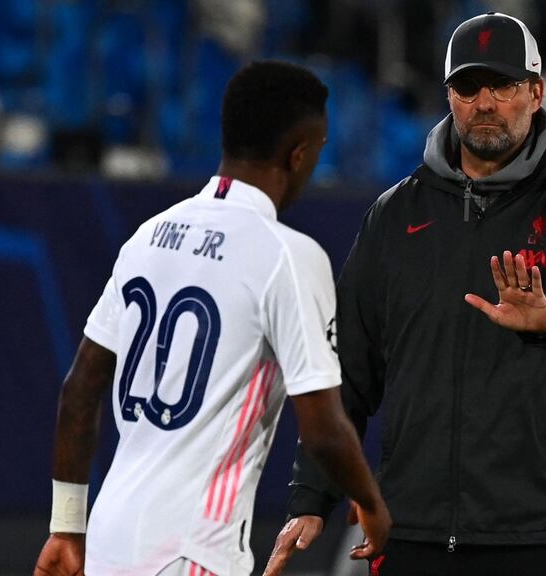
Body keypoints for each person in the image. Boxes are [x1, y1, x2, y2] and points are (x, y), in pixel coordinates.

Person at [265, 12, 546, 576]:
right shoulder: (393, 216)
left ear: (536, 93)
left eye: (503, 85)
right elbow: (349, 371)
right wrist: (312, 496)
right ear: (449, 97)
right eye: (468, 86)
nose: (484, 102)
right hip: (415, 530)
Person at [33, 61, 390, 576]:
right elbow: (323, 429)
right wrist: (371, 505)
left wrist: (67, 527)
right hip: (192, 549)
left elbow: (80, 389)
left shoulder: (148, 235)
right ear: (299, 154)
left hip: (108, 539)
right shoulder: (288, 255)